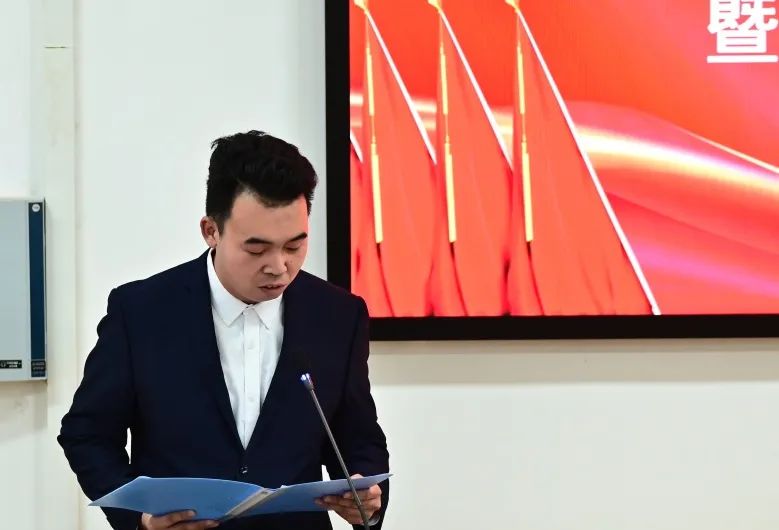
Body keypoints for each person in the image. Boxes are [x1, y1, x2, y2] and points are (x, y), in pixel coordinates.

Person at [58, 130, 390, 530]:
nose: (279, 267)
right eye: (257, 249)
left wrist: (367, 499)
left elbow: (358, 438)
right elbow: (87, 433)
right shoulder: (142, 311)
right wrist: (139, 520)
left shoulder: (338, 316)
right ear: (211, 231)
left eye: (294, 246)